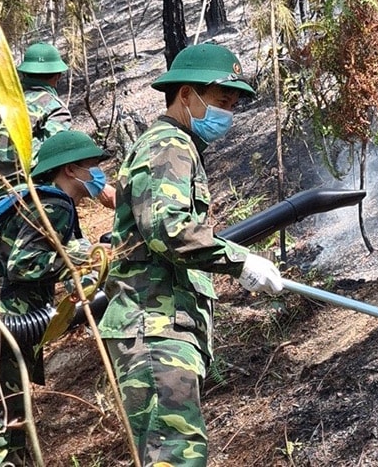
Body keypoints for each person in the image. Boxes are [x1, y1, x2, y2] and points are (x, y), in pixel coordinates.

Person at [97, 43, 283, 467]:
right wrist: (240, 261)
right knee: (175, 454)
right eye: (221, 101)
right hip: (155, 326)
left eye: (233, 104)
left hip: (164, 325)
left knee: (168, 452)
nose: (228, 113)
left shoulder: (176, 146)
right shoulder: (168, 146)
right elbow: (169, 230)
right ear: (186, 94)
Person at [0, 130, 112, 466]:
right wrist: (83, 258)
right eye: (93, 165)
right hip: (6, 319)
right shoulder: (54, 203)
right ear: (70, 169)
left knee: (9, 419)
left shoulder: (35, 198)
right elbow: (23, 264)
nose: (100, 173)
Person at [0, 41, 117, 207]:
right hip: (35, 196)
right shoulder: (54, 107)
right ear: (57, 75)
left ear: (25, 73)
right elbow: (54, 154)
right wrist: (99, 186)